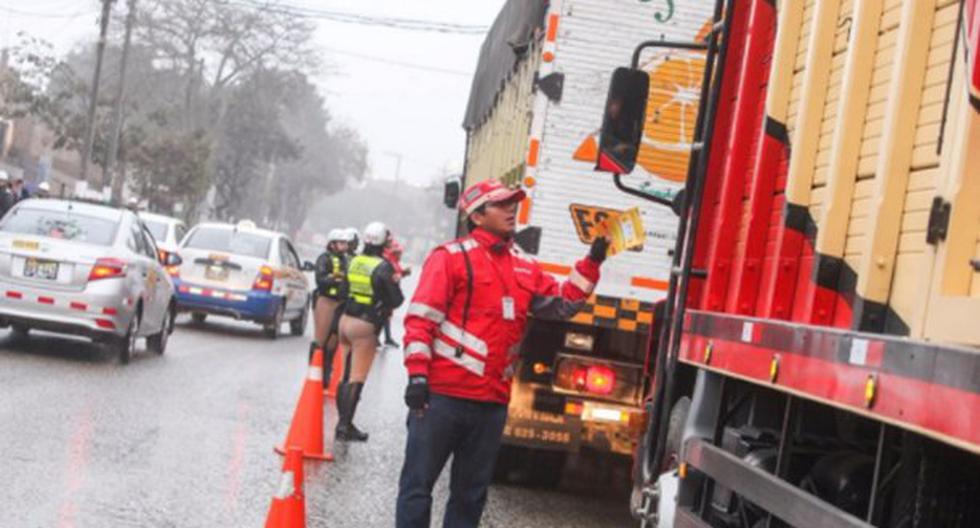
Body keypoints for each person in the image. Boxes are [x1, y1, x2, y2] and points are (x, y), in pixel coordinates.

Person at [395, 179, 610, 527]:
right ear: (477, 216)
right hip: (441, 398)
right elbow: (420, 321)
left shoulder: (524, 265)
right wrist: (417, 376)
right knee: (417, 487)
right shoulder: (449, 258)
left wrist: (593, 260)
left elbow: (565, 303)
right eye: (501, 204)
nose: (512, 209)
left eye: (514, 203)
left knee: (471, 496)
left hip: (491, 404)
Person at [334, 221, 404, 442]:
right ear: (383, 241)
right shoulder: (384, 267)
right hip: (365, 325)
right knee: (357, 376)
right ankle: (344, 426)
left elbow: (343, 290)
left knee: (344, 376)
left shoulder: (354, 261)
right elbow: (396, 299)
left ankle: (342, 422)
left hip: (345, 320)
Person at [310, 228, 349, 366]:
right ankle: (314, 369)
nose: (345, 246)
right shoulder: (324, 258)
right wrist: (335, 278)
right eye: (341, 243)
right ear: (332, 244)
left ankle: (327, 370)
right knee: (321, 338)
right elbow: (320, 279)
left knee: (334, 340)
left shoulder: (346, 260)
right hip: (326, 301)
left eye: (346, 243)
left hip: (340, 302)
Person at [381, 235, 407, 348]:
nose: (400, 255)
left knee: (387, 316)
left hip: (391, 293)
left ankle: (387, 337)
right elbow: (390, 277)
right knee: (382, 315)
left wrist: (403, 273)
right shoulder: (388, 262)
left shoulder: (395, 262)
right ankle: (382, 337)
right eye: (397, 253)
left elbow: (398, 274)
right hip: (385, 292)